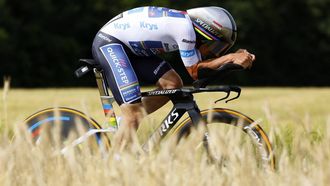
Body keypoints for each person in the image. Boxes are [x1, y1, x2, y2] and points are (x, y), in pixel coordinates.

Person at [91, 6, 255, 143]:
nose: (214, 53)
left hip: (131, 50)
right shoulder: (185, 29)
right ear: (205, 33)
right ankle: (114, 162)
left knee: (172, 84)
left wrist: (232, 61)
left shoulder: (186, 26)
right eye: (215, 47)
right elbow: (196, 72)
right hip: (110, 43)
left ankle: (126, 124)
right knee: (132, 114)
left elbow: (205, 72)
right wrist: (231, 57)